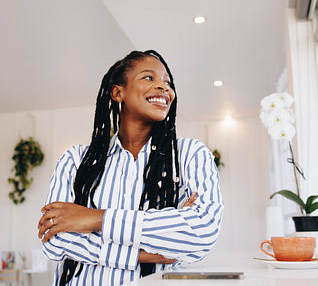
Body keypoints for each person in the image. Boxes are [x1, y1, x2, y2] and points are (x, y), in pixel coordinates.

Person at [38, 50, 223, 285]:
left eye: (167, 82)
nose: (164, 88)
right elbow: (54, 241)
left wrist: (95, 219)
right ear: (118, 92)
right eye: (149, 78)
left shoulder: (190, 156)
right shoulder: (75, 160)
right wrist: (145, 255)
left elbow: (202, 230)